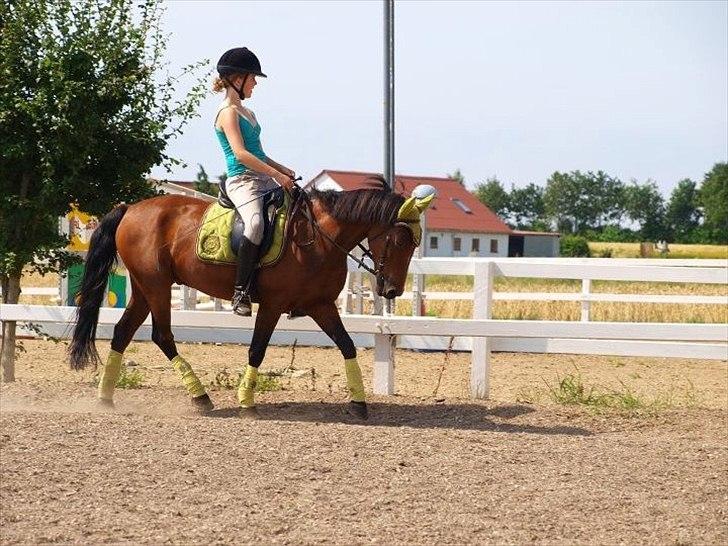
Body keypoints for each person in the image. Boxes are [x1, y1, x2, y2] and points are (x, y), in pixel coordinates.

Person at [213, 47, 296, 316]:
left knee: (299, 212)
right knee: (256, 223)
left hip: (262, 176)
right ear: (237, 79)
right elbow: (241, 154)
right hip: (242, 180)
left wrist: (282, 168)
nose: (256, 83)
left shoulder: (249, 113)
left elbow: (259, 153)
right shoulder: (227, 113)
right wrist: (276, 175)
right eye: (253, 78)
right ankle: (241, 292)